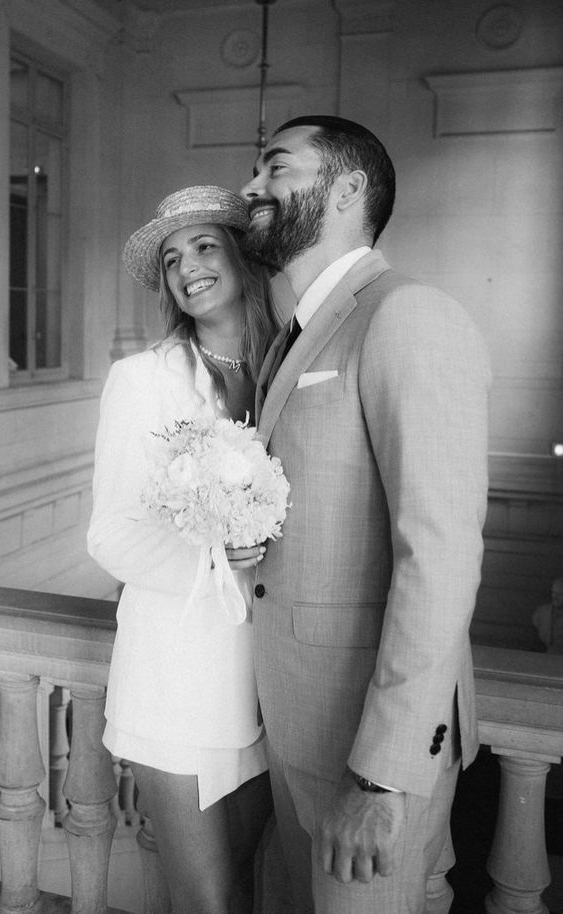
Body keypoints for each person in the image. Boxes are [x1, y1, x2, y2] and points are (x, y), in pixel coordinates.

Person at [240, 115, 492, 914]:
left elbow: (440, 558)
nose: (250, 189)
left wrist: (381, 775)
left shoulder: (407, 315)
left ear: (348, 189)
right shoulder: (297, 335)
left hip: (366, 744)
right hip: (296, 720)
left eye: (274, 168)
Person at [87, 185, 281, 913]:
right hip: (176, 677)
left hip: (267, 681)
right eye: (172, 258)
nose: (186, 268)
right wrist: (211, 557)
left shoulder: (281, 371)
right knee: (209, 903)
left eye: (203, 246)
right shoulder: (142, 380)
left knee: (251, 885)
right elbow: (107, 533)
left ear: (241, 258)